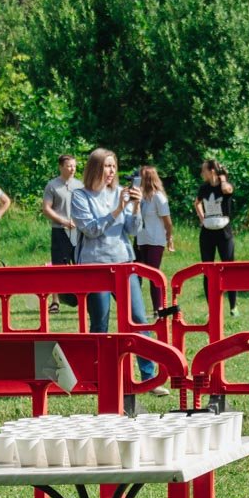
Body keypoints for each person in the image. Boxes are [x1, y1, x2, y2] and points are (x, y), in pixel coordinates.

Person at [70, 148, 169, 395]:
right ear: (95, 168)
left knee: (138, 320)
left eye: (114, 166)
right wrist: (117, 209)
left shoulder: (120, 194)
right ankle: (97, 376)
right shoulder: (80, 196)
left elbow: (133, 230)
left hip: (124, 263)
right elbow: (91, 230)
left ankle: (148, 377)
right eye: (107, 166)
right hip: (96, 266)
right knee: (101, 323)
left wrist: (134, 207)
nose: (111, 171)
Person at [194, 159, 238, 317]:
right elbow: (197, 203)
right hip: (207, 232)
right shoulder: (203, 188)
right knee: (207, 270)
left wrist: (223, 177)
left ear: (212, 170)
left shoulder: (224, 185)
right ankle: (211, 308)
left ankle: (233, 306)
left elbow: (227, 190)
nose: (201, 173)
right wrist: (202, 217)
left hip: (223, 231)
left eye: (204, 170)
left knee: (229, 268)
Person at [41, 154, 83, 313]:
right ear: (61, 167)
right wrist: (63, 221)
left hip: (78, 231)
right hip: (60, 231)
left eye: (74, 166)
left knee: (80, 265)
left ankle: (83, 299)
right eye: (69, 166)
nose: (72, 169)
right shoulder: (52, 185)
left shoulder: (80, 185)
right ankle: (55, 302)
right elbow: (46, 208)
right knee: (58, 267)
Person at [135, 165, 174, 309]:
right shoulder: (141, 197)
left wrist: (169, 238)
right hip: (142, 240)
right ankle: (136, 306)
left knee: (153, 275)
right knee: (136, 274)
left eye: (141, 177)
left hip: (155, 240)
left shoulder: (158, 197)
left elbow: (168, 222)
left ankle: (158, 308)